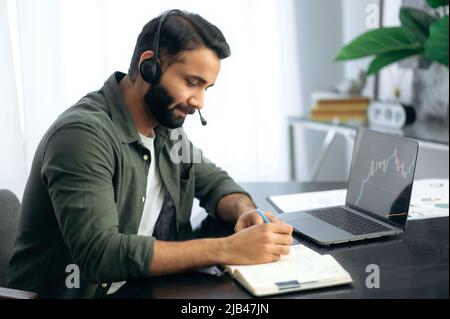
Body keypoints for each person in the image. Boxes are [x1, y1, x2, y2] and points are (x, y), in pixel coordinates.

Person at [8, 9, 293, 299]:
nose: (199, 102)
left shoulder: (168, 132)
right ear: (149, 66)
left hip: (144, 287)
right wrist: (228, 249)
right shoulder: (82, 136)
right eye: (191, 82)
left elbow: (216, 183)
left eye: (206, 88)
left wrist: (245, 212)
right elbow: (98, 254)